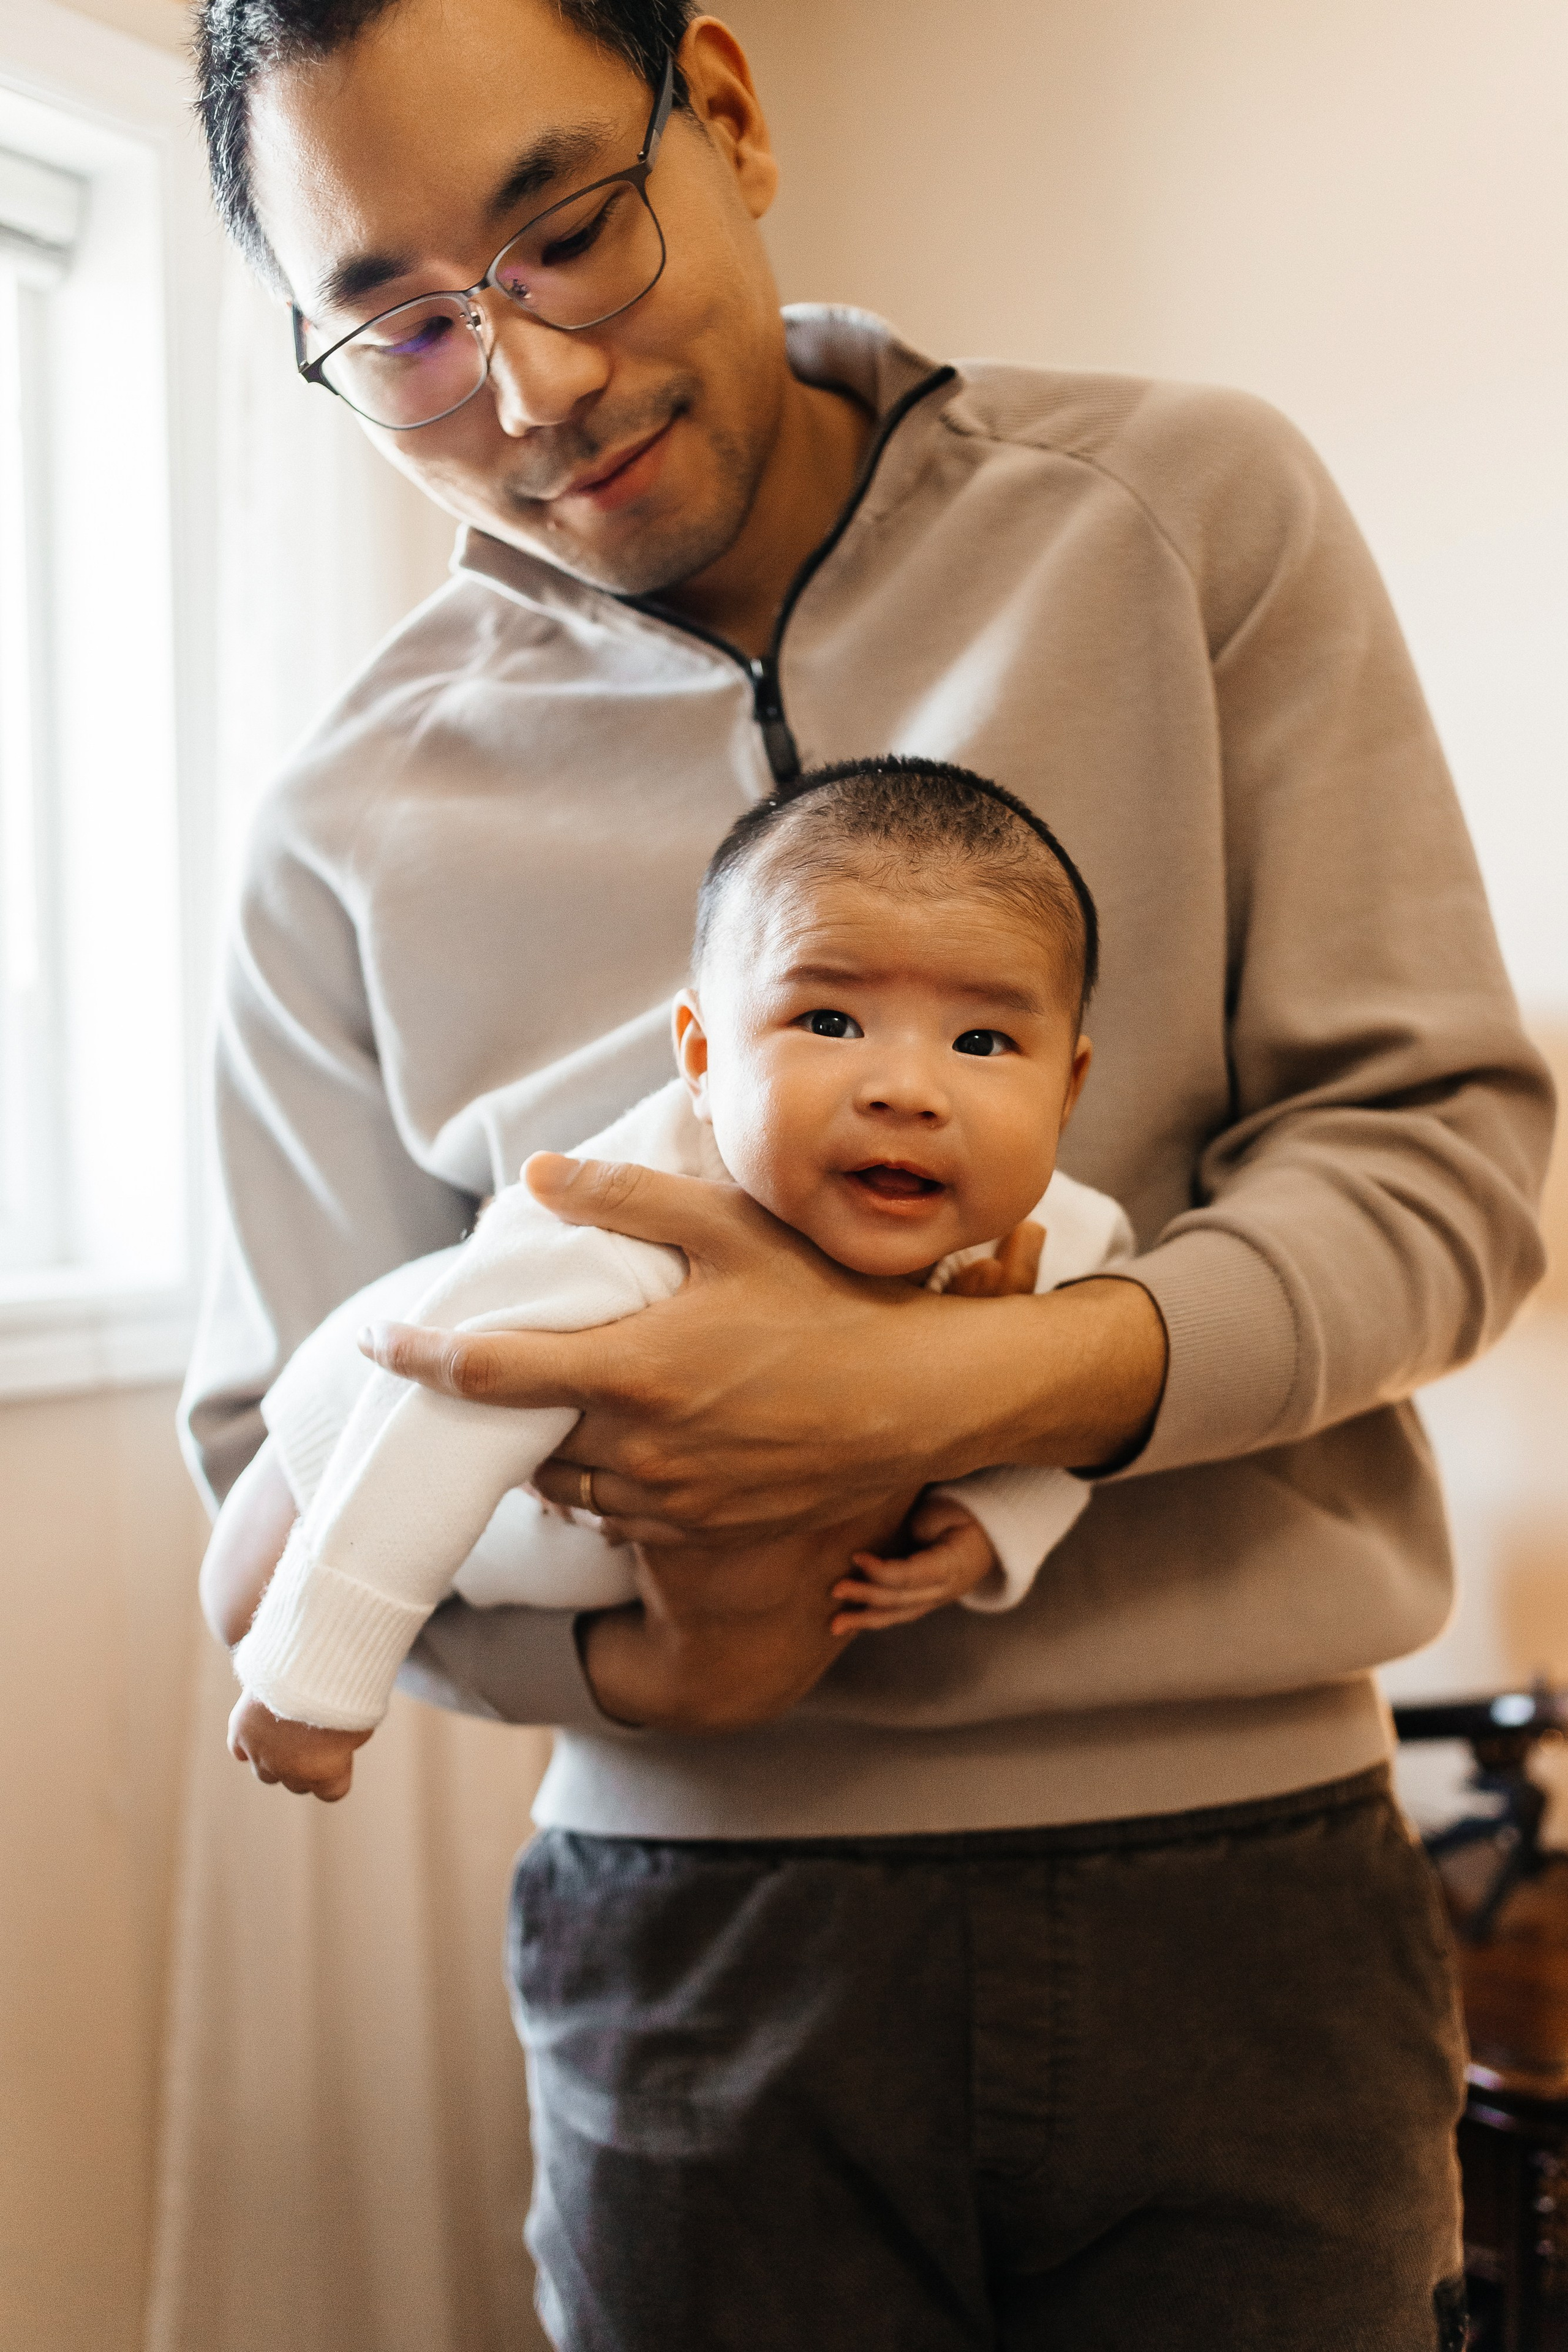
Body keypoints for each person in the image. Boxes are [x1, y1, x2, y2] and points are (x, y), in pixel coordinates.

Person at [181, 0, 1551, 2342]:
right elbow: (275, 1446)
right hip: (691, 1950)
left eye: (566, 235)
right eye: (396, 331)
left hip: (1249, 1902)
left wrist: (954, 1399)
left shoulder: (1194, 513)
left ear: (721, 109)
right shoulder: (337, 825)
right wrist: (657, 1654)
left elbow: (1444, 1162)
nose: (530, 391)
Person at [206, 760, 1133, 1798]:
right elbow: (433, 1428)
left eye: (983, 1041)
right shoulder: (613, 1241)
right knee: (238, 1592)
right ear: (700, 1053)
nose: (908, 1091)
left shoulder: (1071, 1234)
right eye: (829, 1022)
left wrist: (993, 1520)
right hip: (373, 1412)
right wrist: (310, 1690)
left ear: (1068, 1088)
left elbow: (1076, 1412)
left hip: (619, 1574)